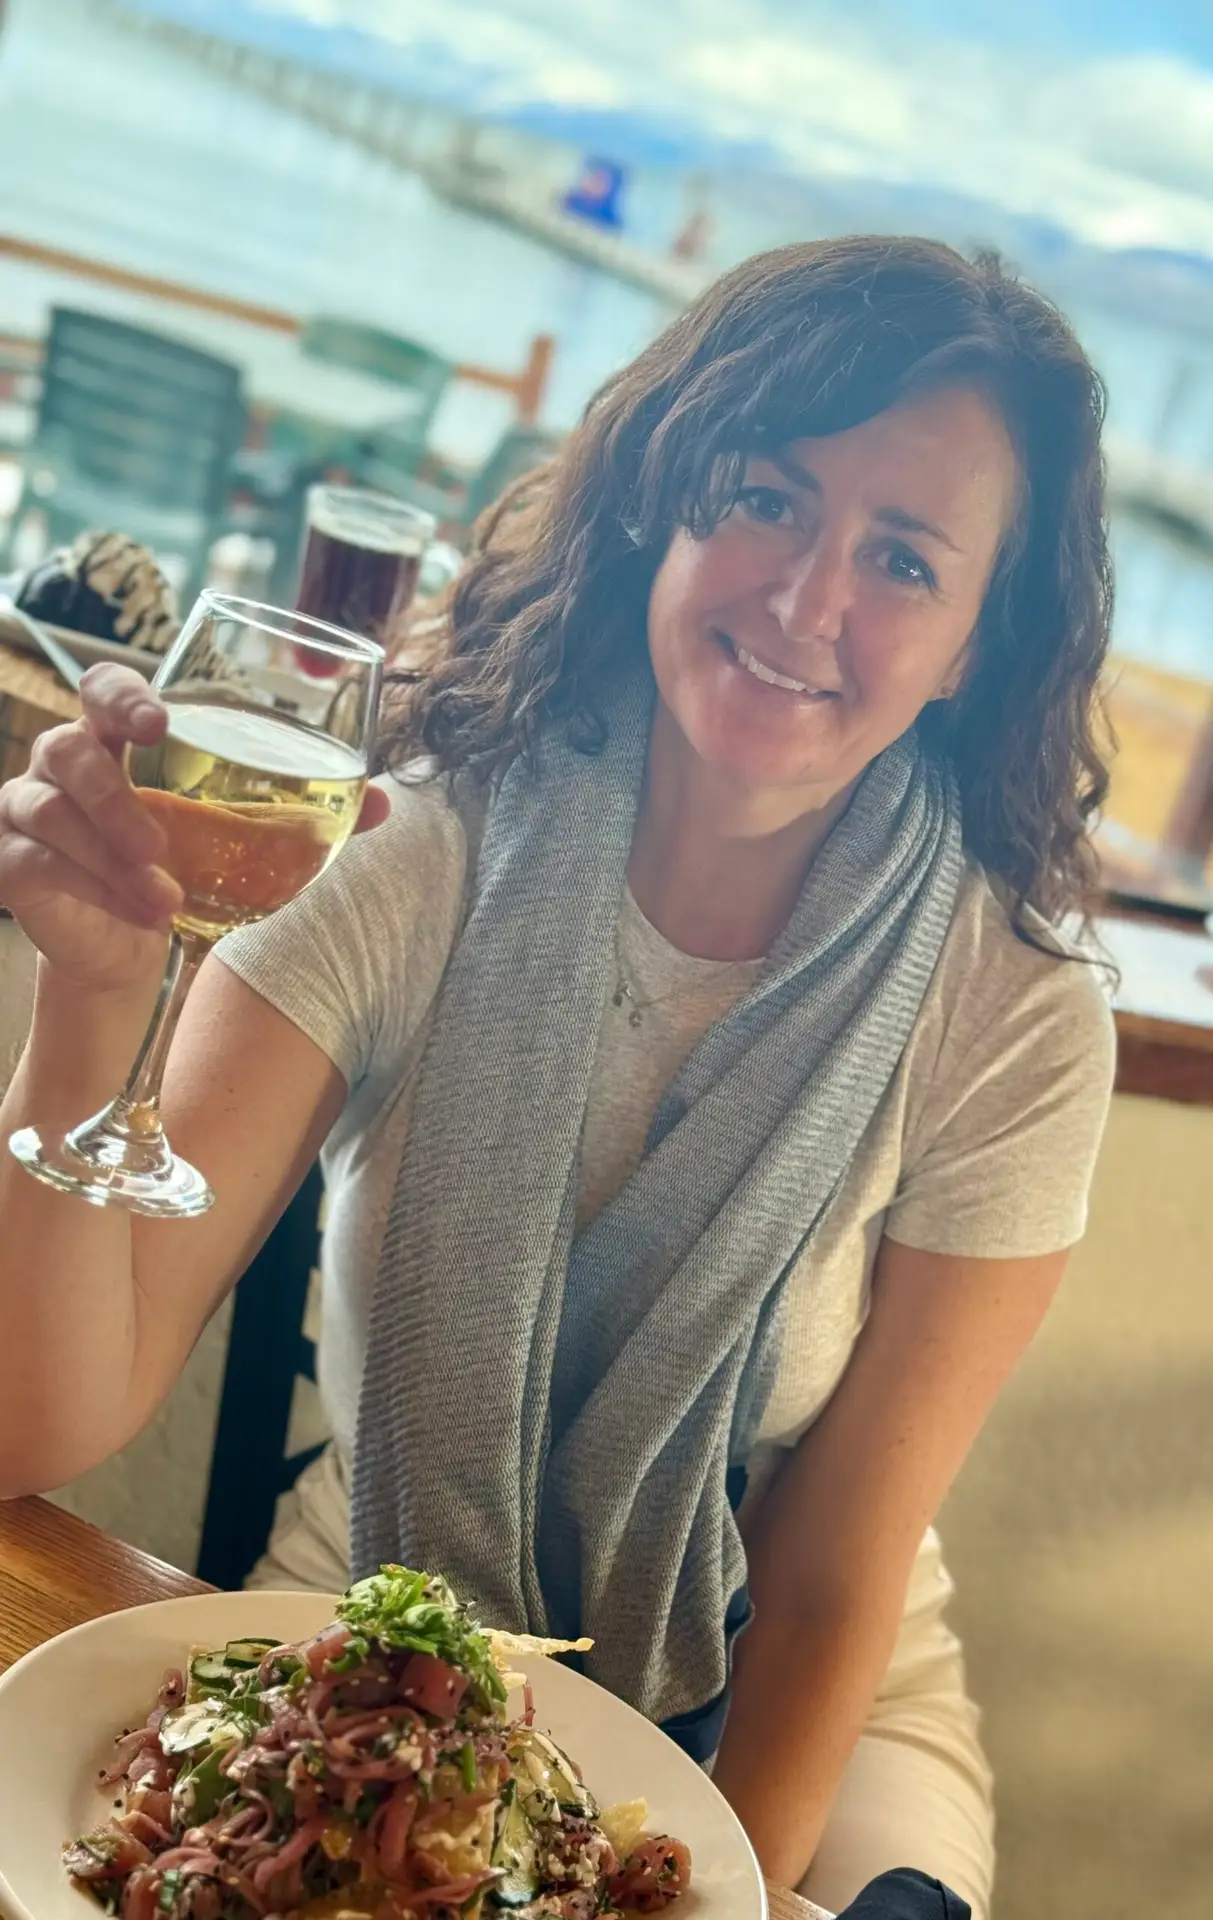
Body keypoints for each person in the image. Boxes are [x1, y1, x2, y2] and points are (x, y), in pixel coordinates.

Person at [0, 236, 1115, 1917]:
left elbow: (830, 1580)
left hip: (787, 1702)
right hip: (372, 1629)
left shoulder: (1016, 1010)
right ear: (663, 497)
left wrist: (682, 1887)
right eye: (766, 498)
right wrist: (93, 1005)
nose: (809, 601)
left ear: (971, 645)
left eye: (903, 560)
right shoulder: (411, 838)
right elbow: (37, 1421)